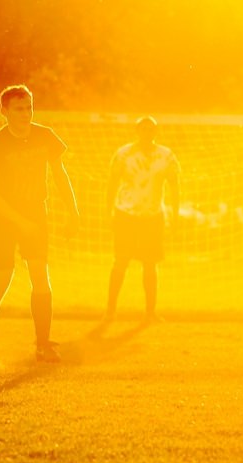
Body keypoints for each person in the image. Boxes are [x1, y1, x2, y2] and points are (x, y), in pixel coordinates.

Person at [0, 84, 79, 368]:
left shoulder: (45, 136)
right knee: (1, 281)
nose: (26, 113)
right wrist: (21, 222)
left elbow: (60, 174)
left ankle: (43, 346)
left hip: (36, 212)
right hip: (2, 218)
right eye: (19, 108)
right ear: (4, 112)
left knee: (41, 277)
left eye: (29, 107)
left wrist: (73, 210)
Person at [105, 116, 180, 322]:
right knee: (120, 261)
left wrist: (175, 212)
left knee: (150, 263)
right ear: (137, 131)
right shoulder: (123, 154)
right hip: (126, 213)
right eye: (143, 129)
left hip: (153, 215)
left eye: (151, 129)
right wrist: (107, 210)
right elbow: (112, 183)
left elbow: (174, 185)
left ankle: (150, 313)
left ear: (156, 132)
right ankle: (110, 311)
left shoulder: (166, 156)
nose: (147, 133)